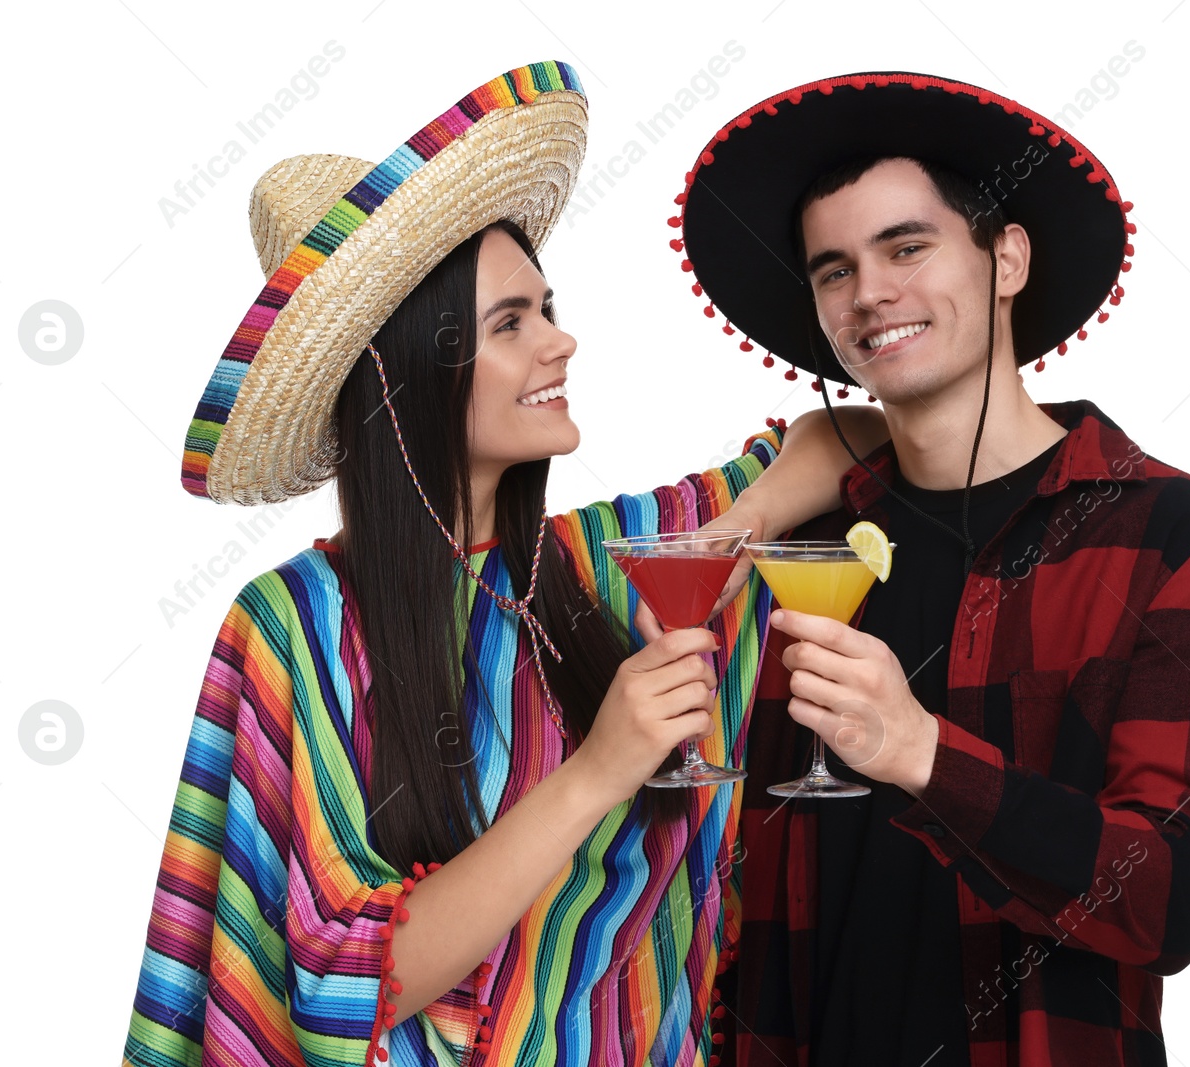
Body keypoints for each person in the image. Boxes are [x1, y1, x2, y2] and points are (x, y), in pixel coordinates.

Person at [123, 62, 887, 1067]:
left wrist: (730, 530)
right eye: (510, 323)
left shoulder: (613, 561)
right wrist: (599, 769)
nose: (561, 343)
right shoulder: (297, 622)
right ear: (405, 374)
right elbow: (347, 983)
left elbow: (855, 437)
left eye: (546, 307)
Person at [671, 72, 1190, 1066]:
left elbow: (1170, 899)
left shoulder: (1161, 531)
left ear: (1007, 257)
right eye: (833, 270)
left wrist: (918, 751)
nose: (871, 294)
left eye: (906, 247)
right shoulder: (803, 541)